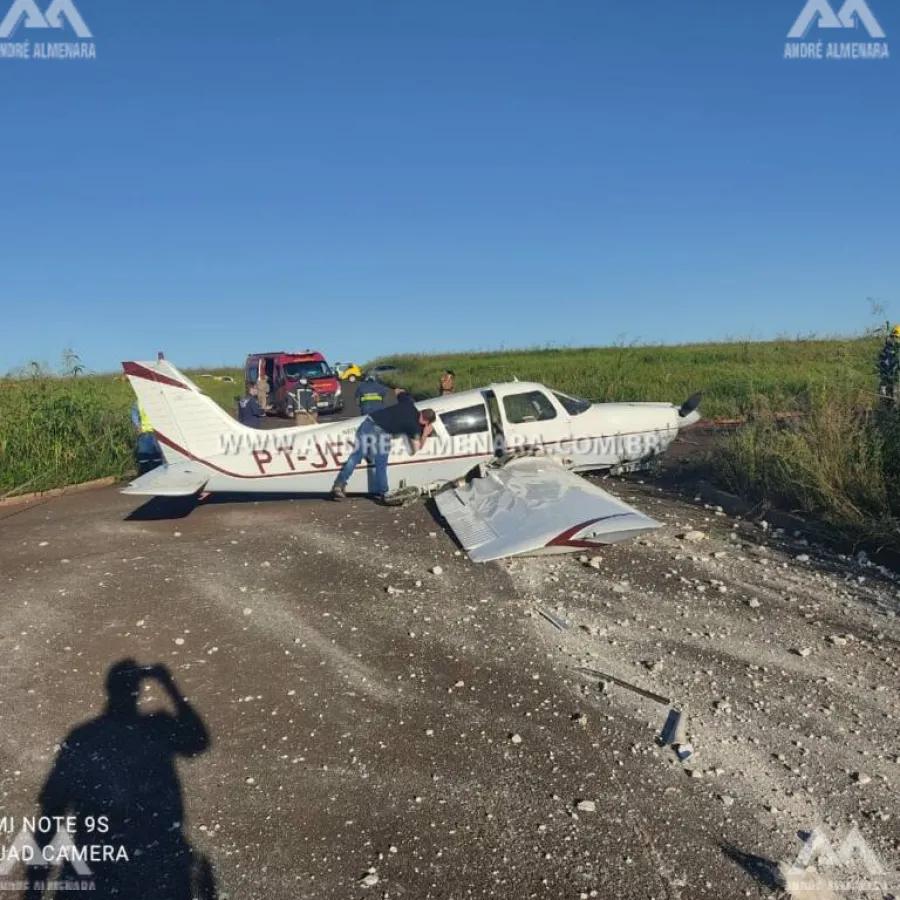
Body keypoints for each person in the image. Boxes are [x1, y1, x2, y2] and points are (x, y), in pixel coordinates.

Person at [331, 392, 436, 504]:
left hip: (369, 422)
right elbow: (416, 449)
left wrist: (399, 391)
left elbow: (400, 393)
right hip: (382, 432)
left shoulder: (409, 404)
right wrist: (425, 433)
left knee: (356, 456)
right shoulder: (415, 427)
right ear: (426, 422)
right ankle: (384, 494)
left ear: (421, 411)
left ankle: (339, 484)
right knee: (381, 463)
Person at [131, 402, 164, 475]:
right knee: (144, 458)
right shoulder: (139, 402)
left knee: (156, 458)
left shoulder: (157, 400)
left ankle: (157, 476)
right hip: (145, 433)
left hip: (156, 433)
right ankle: (146, 476)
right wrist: (137, 425)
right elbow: (134, 412)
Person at [877, 326, 900, 404]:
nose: (895, 339)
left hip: (895, 381)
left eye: (897, 337)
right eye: (894, 337)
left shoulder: (895, 350)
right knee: (885, 401)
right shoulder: (887, 349)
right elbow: (880, 364)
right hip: (887, 380)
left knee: (895, 402)